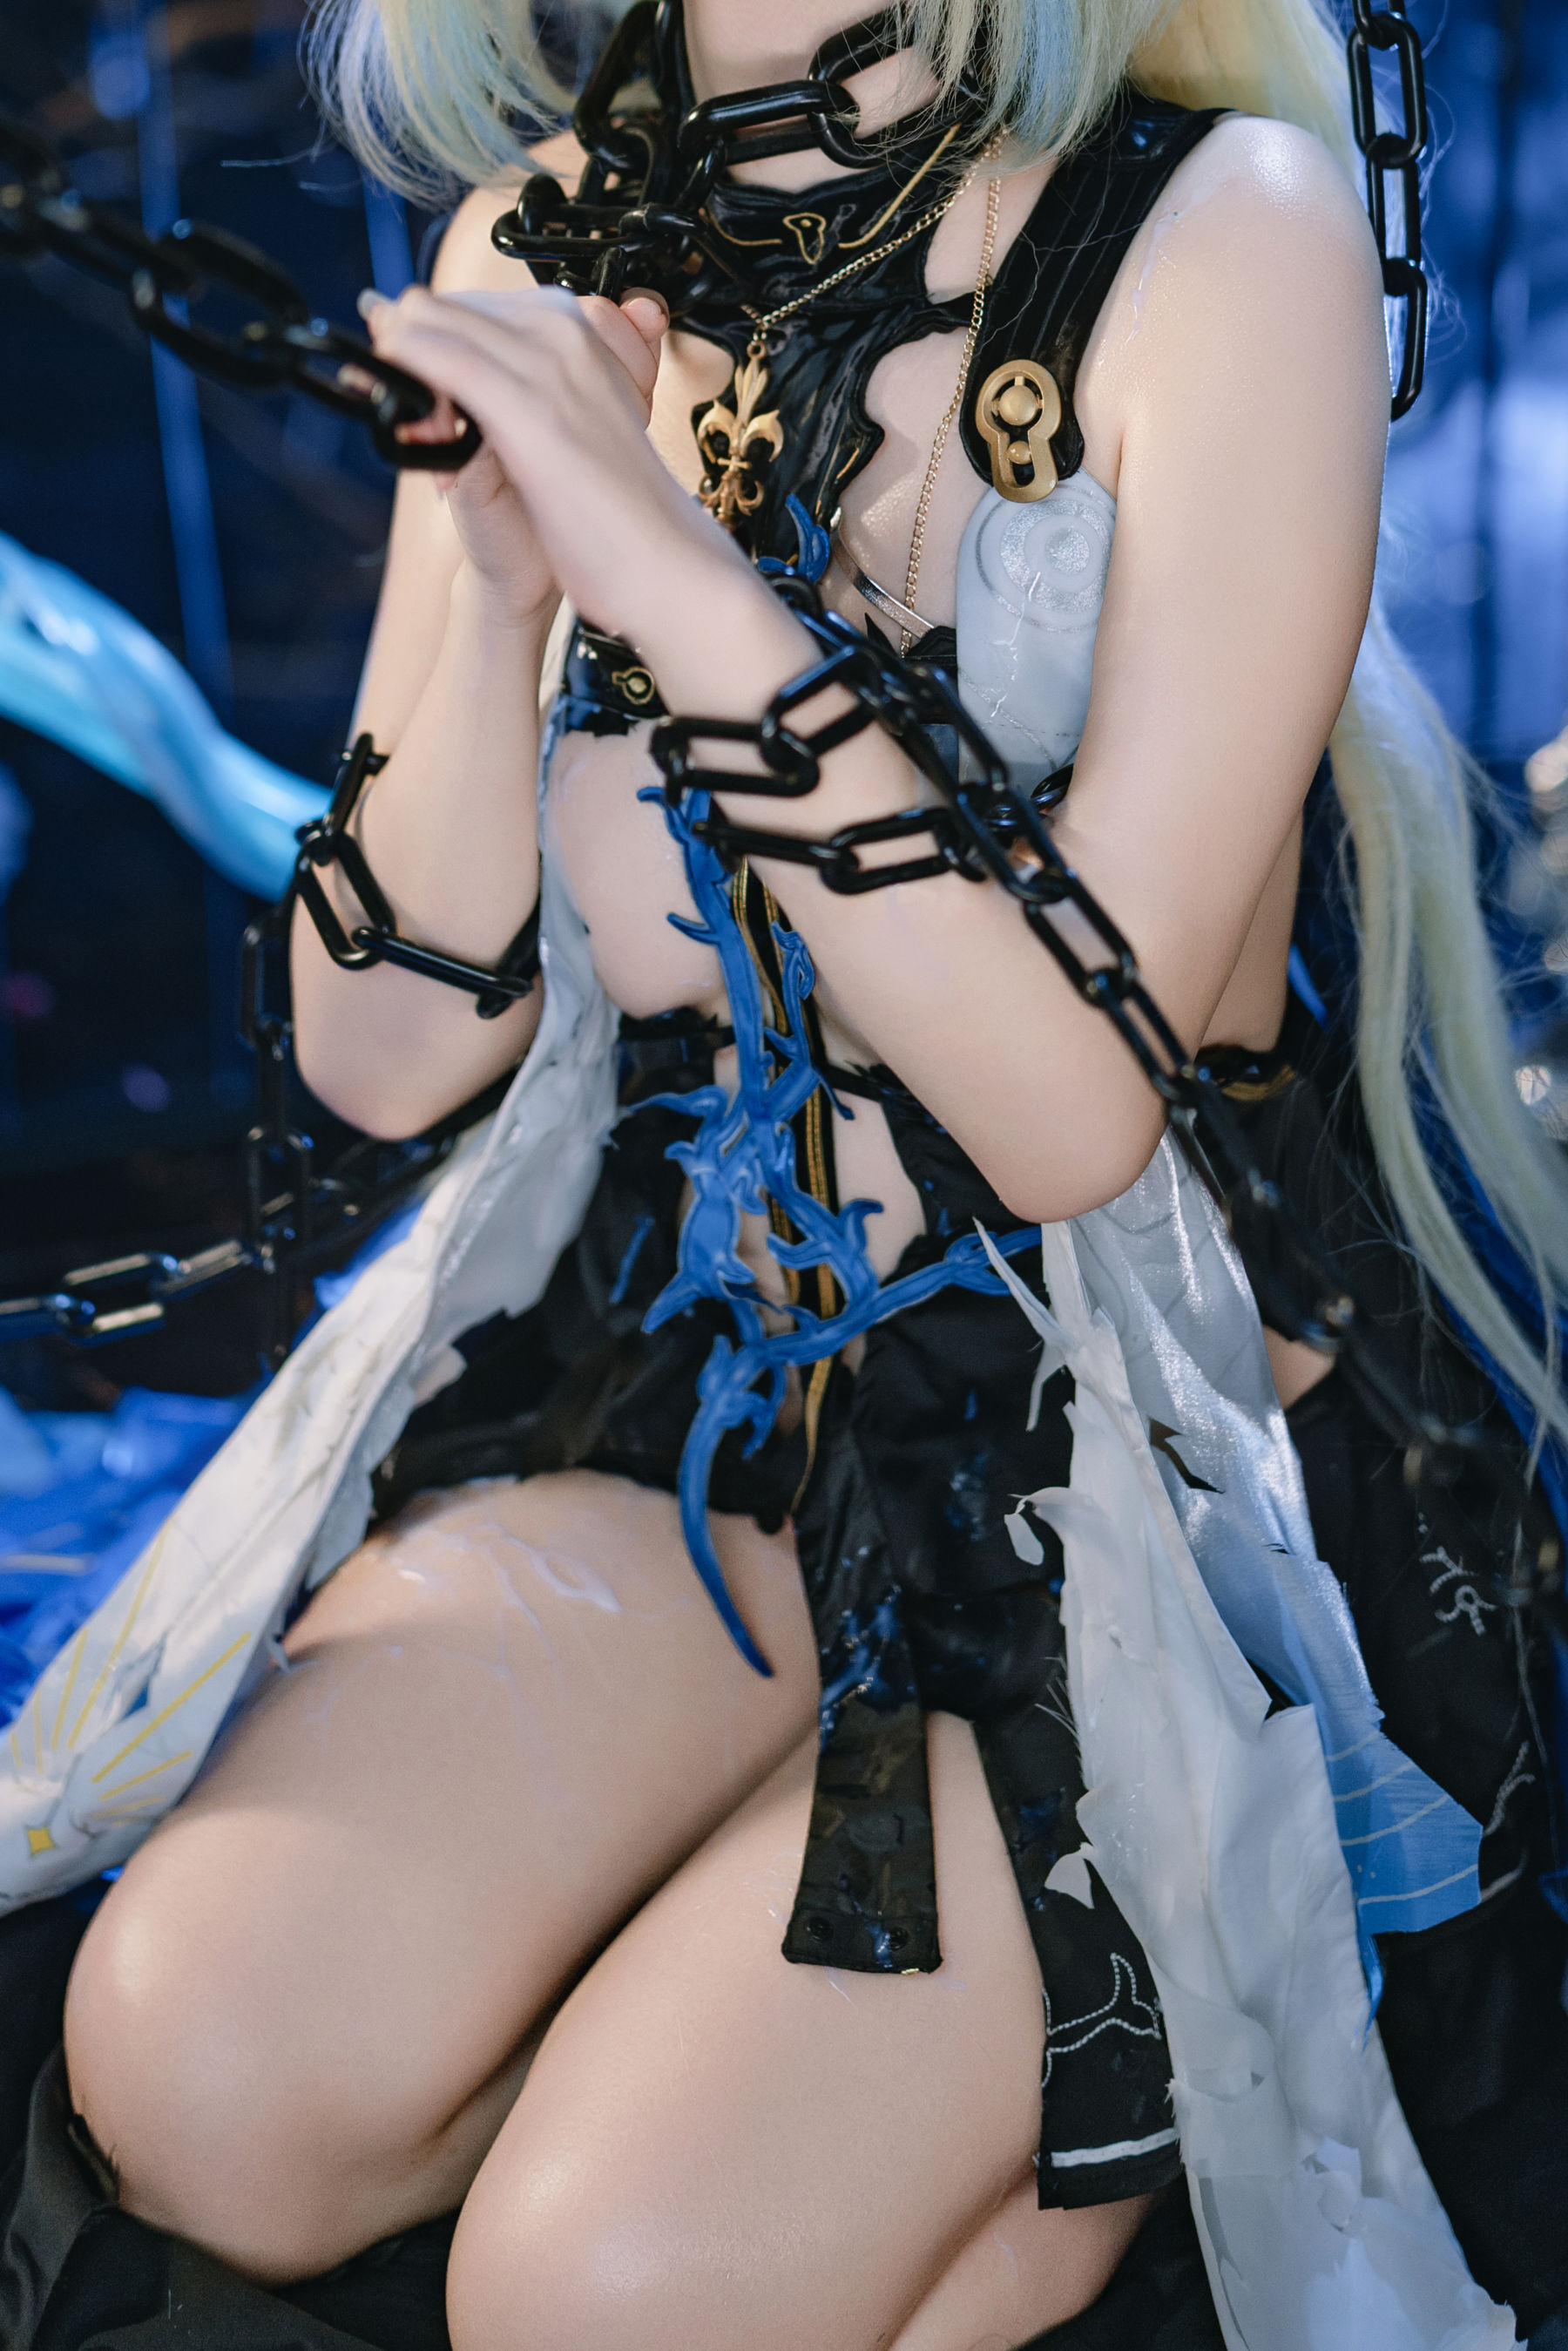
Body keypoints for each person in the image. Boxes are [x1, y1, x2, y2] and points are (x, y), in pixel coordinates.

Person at [3, 3, 1566, 2347]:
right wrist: (498, 582)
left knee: (606, 2290)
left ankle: (1084, 2124)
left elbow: (1077, 1106)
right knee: (200, 2072)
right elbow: (390, 1049)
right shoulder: (541, 238)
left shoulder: (1221, 243)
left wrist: (678, 581)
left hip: (1133, 1481)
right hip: (703, 1397)